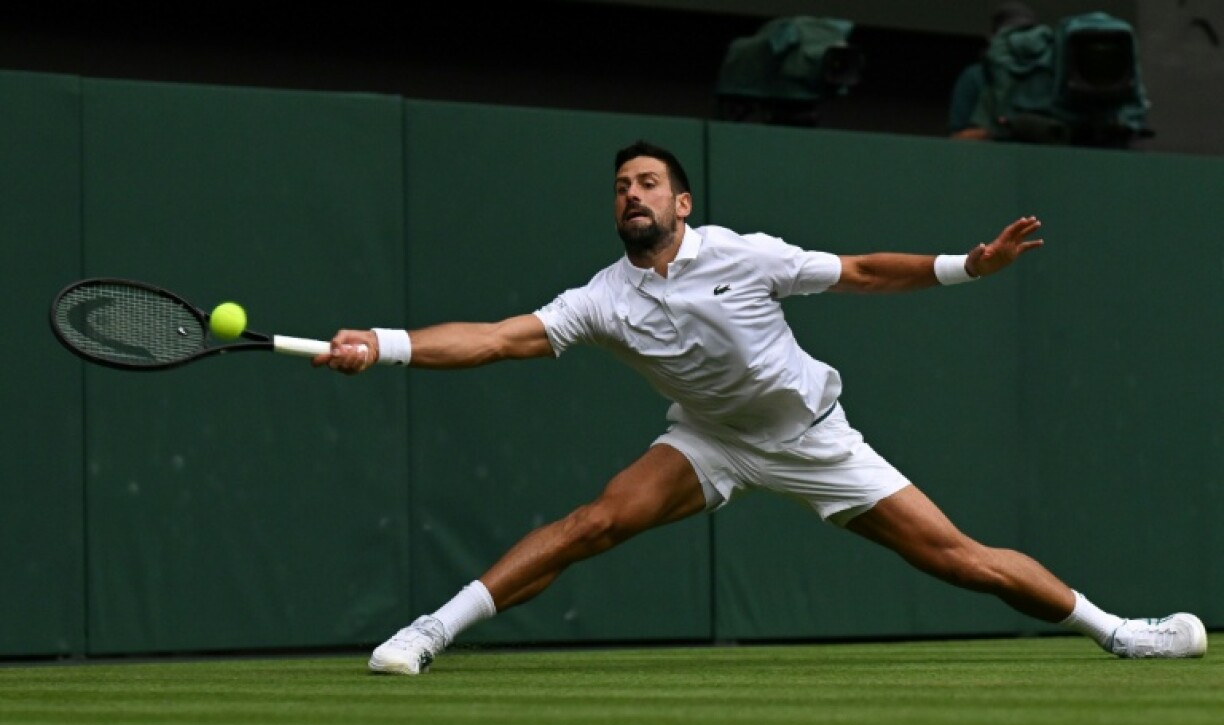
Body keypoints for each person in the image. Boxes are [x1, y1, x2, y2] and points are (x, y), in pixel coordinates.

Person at [314, 140, 1207, 674]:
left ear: (681, 202)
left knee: (959, 559)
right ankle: (428, 633)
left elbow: (861, 272)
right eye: (621, 186)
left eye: (648, 183)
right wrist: (383, 344)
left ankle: (1121, 633)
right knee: (593, 524)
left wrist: (967, 268)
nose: (632, 194)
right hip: (710, 441)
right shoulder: (601, 298)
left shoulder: (744, 255)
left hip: (814, 439)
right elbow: (496, 338)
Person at [948, 1, 1039, 139]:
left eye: (1025, 34)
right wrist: (997, 131)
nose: (1017, 41)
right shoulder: (975, 76)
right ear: (994, 38)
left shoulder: (1046, 77)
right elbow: (957, 137)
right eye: (1010, 35)